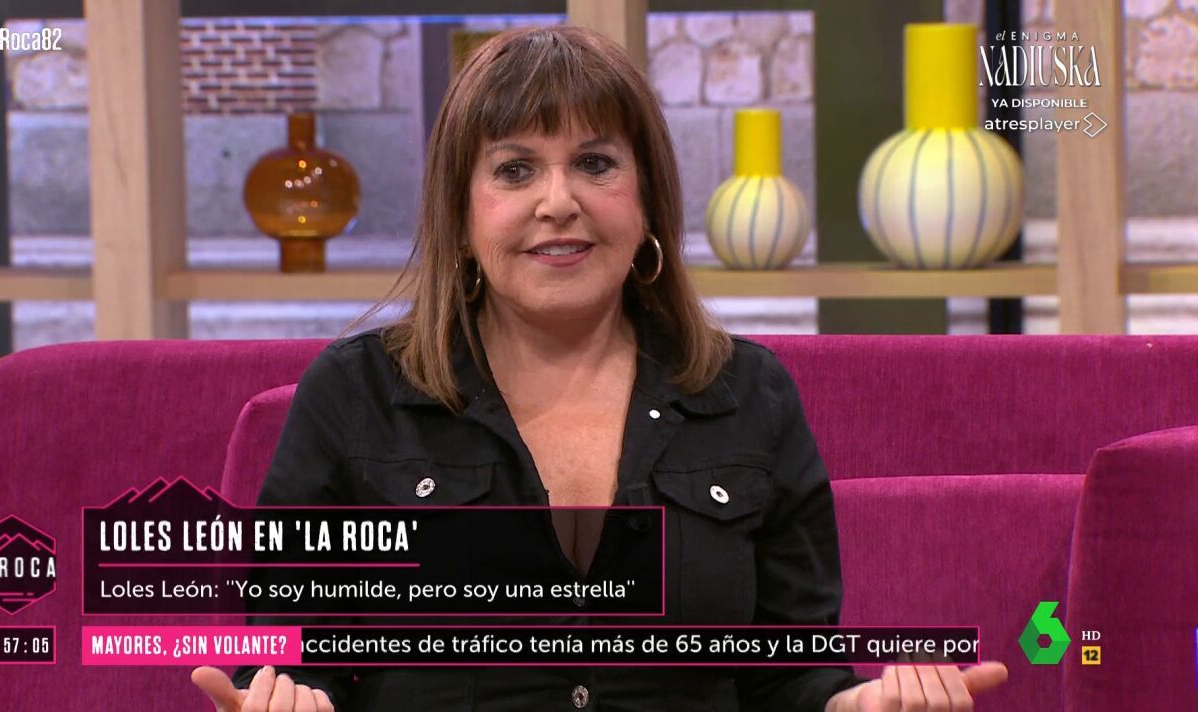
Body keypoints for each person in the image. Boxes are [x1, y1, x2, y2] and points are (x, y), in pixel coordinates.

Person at [192, 24, 1008, 712]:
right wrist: (282, 699)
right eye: (515, 169)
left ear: (646, 198)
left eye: (595, 163)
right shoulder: (355, 396)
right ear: (462, 214)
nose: (559, 201)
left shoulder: (747, 396)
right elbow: (291, 661)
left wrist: (857, 704)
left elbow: (791, 674)